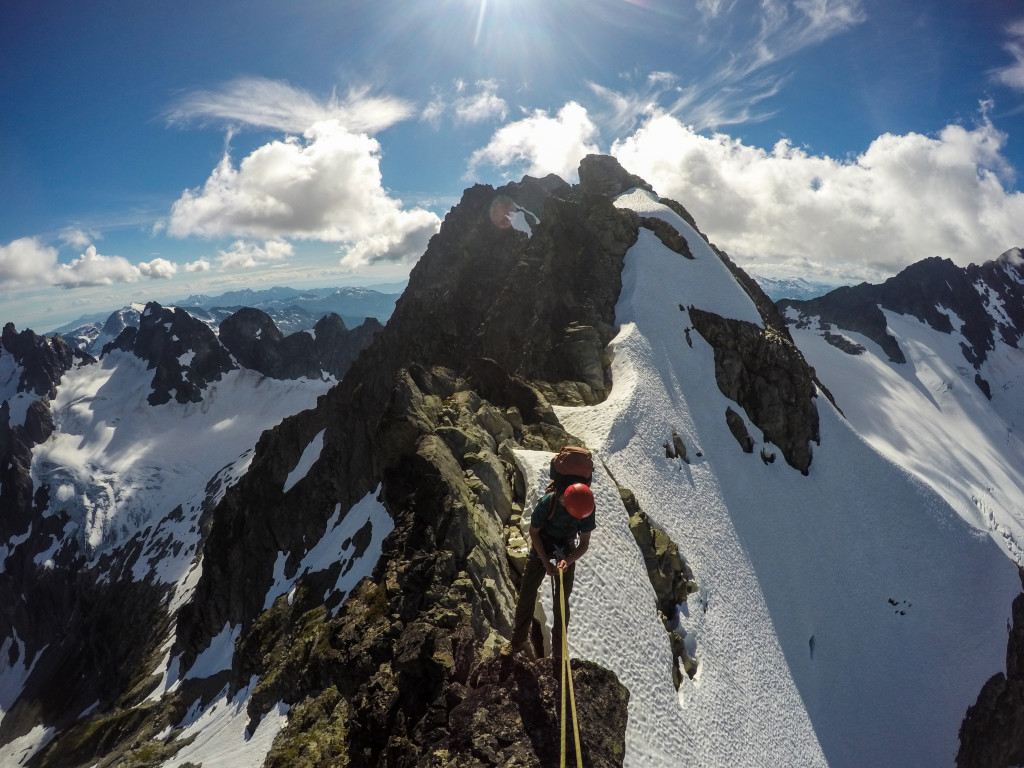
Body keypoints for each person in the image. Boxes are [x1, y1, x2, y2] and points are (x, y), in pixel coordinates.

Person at [503, 481, 596, 662]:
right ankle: (517, 641)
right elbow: (534, 532)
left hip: (566, 546)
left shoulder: (586, 507)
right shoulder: (548, 502)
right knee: (527, 594)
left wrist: (566, 562)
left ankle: (559, 650)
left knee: (562, 599)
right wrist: (545, 562)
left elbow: (584, 544)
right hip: (542, 543)